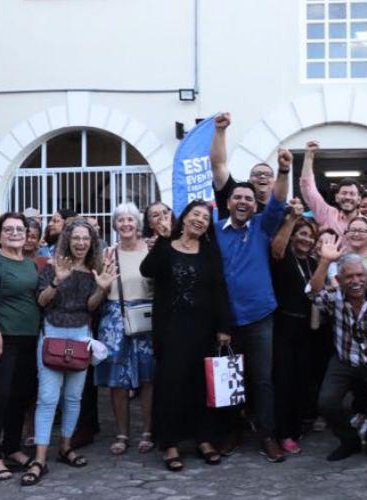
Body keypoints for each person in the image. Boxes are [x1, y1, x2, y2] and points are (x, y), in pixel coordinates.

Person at [209, 112, 289, 461]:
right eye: (237, 197)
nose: (243, 201)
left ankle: (267, 436)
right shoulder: (213, 231)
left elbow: (280, 200)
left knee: (262, 381)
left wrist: (284, 170)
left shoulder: (262, 226)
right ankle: (230, 434)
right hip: (226, 319)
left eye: (248, 199)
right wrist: (221, 130)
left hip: (259, 317)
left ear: (255, 205)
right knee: (229, 380)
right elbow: (218, 165)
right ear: (227, 203)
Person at [140, 200, 233, 472]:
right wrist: (164, 238)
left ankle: (204, 440)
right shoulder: (166, 246)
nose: (200, 220)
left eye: (205, 217)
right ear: (185, 217)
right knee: (171, 386)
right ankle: (170, 444)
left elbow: (219, 290)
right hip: (171, 330)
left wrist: (223, 327)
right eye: (196, 214)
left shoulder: (209, 251)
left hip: (203, 329)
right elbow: (147, 270)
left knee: (201, 386)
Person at [22, 220, 116, 486]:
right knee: (48, 398)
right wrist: (56, 281)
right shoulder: (53, 266)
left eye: (86, 238)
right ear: (67, 239)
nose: (81, 243)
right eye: (76, 238)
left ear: (92, 242)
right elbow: (41, 301)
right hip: (52, 333)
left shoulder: (94, 269)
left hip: (80, 335)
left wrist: (101, 288)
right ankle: (40, 457)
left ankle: (65, 447)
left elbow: (90, 307)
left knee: (74, 398)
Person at [308, 241, 367, 467]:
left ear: (366, 276)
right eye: (349, 277)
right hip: (344, 360)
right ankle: (349, 441)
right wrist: (326, 260)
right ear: (339, 280)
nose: (356, 281)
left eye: (360, 275)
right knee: (327, 402)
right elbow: (313, 292)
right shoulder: (334, 296)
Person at [0, 213, 40, 481]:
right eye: (8, 229)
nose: (15, 233)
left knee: (20, 397)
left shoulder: (29, 264)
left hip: (29, 340)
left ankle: (12, 447)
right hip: (1, 341)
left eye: (20, 229)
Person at [94, 203, 156, 456]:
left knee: (148, 377)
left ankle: (147, 432)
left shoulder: (151, 251)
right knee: (117, 381)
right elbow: (102, 287)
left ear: (138, 224)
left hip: (145, 318)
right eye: (121, 220)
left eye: (131, 220)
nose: (126, 224)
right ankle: (121, 434)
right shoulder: (108, 253)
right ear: (115, 225)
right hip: (115, 319)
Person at [269, 203, 318, 454]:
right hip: (284, 325)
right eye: (302, 233)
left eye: (310, 235)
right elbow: (277, 248)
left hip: (307, 328)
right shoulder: (283, 257)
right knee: (284, 380)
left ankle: (296, 427)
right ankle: (283, 433)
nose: (306, 239)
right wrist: (292, 220)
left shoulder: (313, 262)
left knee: (302, 379)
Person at [299, 140, 367, 244]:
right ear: (337, 197)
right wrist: (308, 156)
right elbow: (308, 188)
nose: (347, 197)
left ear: (359, 199)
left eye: (352, 194)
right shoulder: (326, 214)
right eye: (344, 193)